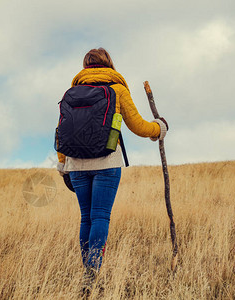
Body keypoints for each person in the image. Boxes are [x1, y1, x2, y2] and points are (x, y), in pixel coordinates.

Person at [56, 48, 168, 290]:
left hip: (75, 164)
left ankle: (88, 269)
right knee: (100, 216)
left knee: (86, 217)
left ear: (85, 66)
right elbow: (137, 125)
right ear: (109, 64)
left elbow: (60, 131)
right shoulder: (117, 90)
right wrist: (159, 129)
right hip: (107, 162)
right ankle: (93, 269)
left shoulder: (71, 92)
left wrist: (63, 164)